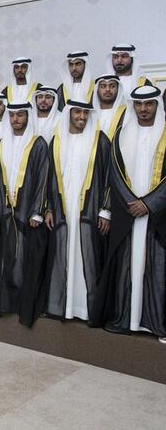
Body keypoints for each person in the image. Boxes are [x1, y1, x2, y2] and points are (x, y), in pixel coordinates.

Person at [100, 85, 166, 342]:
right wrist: (132, 203)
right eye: (139, 104)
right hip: (128, 214)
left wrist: (149, 204)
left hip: (158, 217)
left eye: (149, 104)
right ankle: (126, 318)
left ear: (156, 106)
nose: (143, 109)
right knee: (127, 265)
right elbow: (113, 174)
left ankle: (156, 322)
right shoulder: (121, 135)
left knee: (157, 269)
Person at [0, 101, 49, 326]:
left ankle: (20, 303)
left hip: (27, 211)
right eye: (13, 116)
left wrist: (37, 210)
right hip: (3, 209)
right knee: (2, 257)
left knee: (21, 260)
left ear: (28, 116)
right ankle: (4, 302)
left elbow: (43, 178)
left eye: (20, 115)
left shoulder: (38, 144)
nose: (16, 119)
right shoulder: (1, 144)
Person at [43, 100, 111, 321]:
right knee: (61, 255)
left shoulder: (100, 141)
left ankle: (87, 309)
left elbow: (110, 177)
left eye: (85, 112)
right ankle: (60, 306)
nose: (82, 116)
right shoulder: (57, 141)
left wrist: (105, 210)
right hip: (63, 210)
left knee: (88, 257)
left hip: (88, 211)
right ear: (69, 114)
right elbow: (49, 177)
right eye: (77, 112)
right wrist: (48, 208)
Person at [93, 73, 126, 139]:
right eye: (103, 86)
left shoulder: (125, 113)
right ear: (97, 90)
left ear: (118, 89)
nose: (107, 89)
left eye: (112, 86)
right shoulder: (90, 114)